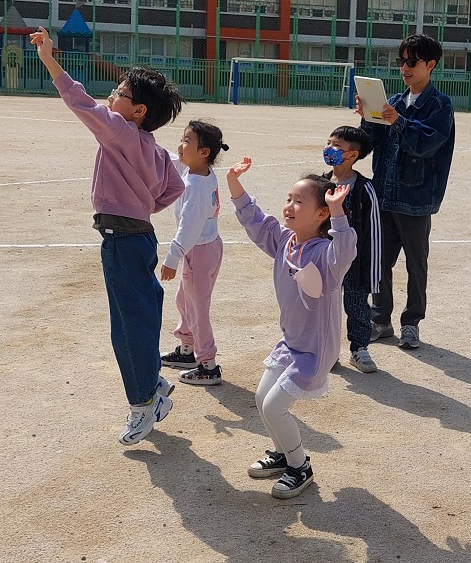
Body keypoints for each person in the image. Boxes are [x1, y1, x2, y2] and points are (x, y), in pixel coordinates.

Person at [29, 26, 185, 446]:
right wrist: (145, 204)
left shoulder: (120, 131)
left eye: (119, 93)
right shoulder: (155, 148)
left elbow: (77, 100)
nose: (111, 98)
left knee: (128, 325)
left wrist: (48, 58)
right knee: (141, 315)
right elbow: (175, 188)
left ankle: (143, 403)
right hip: (140, 237)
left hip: (121, 240)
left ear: (137, 111)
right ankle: (153, 384)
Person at [226, 157, 354, 499]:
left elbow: (345, 252)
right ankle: (283, 454)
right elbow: (257, 221)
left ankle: (300, 466)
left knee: (273, 407)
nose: (289, 206)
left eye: (299, 202)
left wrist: (339, 212)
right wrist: (234, 183)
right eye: (288, 199)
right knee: (260, 397)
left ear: (321, 214)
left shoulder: (326, 253)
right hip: (290, 343)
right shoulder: (285, 241)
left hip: (315, 350)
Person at [355, 34, 455, 350]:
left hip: (415, 198)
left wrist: (398, 121)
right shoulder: (394, 102)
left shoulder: (439, 105)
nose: (404, 68)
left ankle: (411, 322)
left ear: (430, 65)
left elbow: (426, 144)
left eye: (411, 62)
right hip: (384, 194)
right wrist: (367, 116)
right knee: (379, 262)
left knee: (416, 263)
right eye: (401, 61)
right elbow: (369, 143)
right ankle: (380, 319)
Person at [158, 120, 228, 386]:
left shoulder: (196, 187)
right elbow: (171, 158)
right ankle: (187, 350)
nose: (181, 145)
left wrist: (172, 257)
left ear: (204, 152)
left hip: (197, 251)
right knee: (184, 301)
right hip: (204, 248)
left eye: (187, 141)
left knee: (198, 309)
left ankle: (208, 365)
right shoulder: (197, 172)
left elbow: (189, 227)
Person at [319, 125, 382, 373]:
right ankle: (327, 351)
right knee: (326, 308)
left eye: (337, 146)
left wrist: (372, 271)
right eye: (329, 142)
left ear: (352, 155)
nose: (329, 149)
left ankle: (359, 349)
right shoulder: (320, 184)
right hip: (325, 259)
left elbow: (374, 232)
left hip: (355, 263)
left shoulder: (366, 189)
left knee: (357, 306)